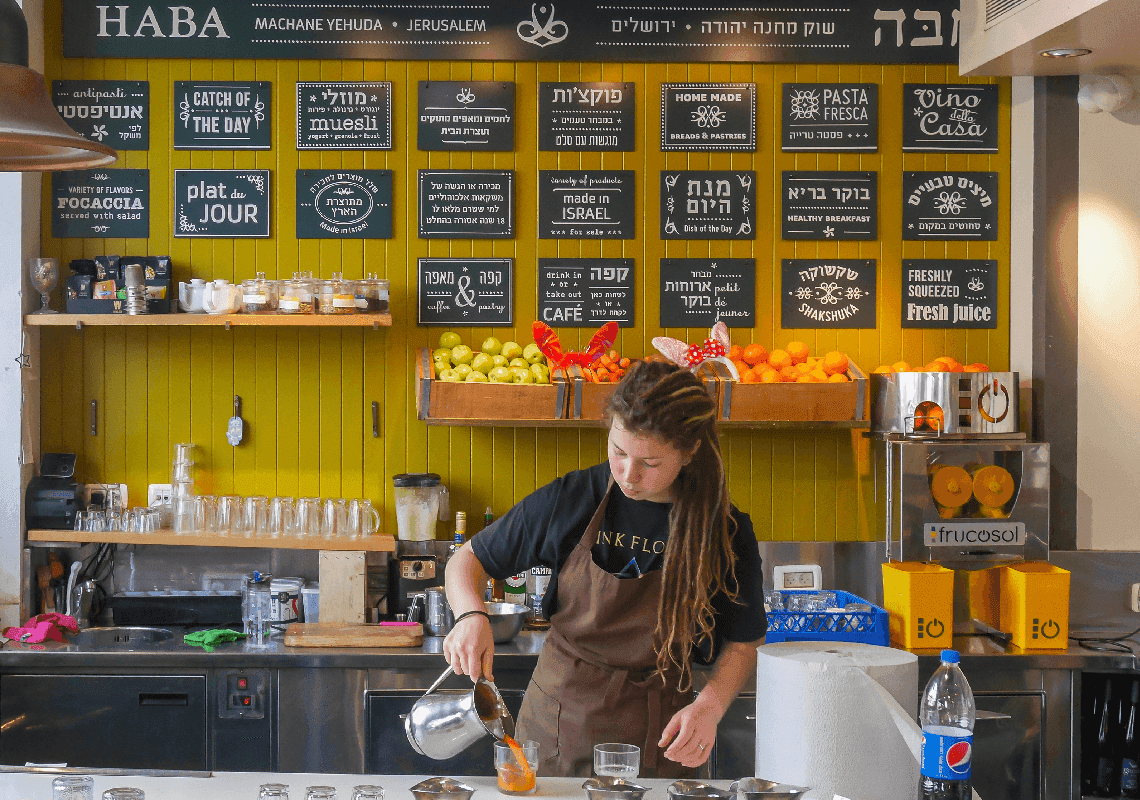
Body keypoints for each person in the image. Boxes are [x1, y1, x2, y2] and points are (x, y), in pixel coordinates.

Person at [443, 359, 766, 777]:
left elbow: (744, 642)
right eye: (618, 451)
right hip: (560, 722)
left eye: (650, 463)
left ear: (689, 452)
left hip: (661, 736)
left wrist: (711, 705)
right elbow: (467, 559)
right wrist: (470, 615)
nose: (629, 475)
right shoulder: (574, 498)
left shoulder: (725, 531)